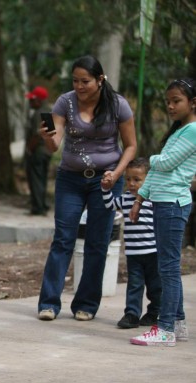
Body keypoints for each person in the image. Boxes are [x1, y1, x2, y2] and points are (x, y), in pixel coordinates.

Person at [37, 55, 137, 322]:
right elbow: (55, 144)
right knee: (63, 239)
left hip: (106, 180)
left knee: (97, 241)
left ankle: (86, 304)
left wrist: (117, 174)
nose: (79, 86)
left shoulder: (118, 105)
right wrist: (47, 138)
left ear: (100, 80)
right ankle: (48, 303)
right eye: (75, 81)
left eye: (85, 81)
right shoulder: (65, 102)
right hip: (70, 179)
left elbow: (130, 145)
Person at [129, 78, 196, 346]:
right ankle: (177, 323)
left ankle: (165, 327)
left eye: (176, 101)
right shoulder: (180, 131)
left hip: (173, 204)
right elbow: (158, 173)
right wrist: (140, 199)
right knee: (167, 266)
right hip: (163, 202)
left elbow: (164, 164)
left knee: (167, 267)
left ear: (193, 103)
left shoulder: (192, 130)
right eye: (168, 101)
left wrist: (152, 159)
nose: (170, 106)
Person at [101, 158, 160, 329]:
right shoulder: (126, 198)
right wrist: (105, 189)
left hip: (153, 252)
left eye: (137, 180)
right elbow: (110, 205)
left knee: (155, 286)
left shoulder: (153, 199)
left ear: (148, 180)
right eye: (128, 179)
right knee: (134, 285)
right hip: (133, 254)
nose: (131, 184)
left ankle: (154, 312)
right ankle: (132, 314)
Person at [24, 86, 53, 216]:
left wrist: (29, 149)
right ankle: (43, 204)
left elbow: (38, 134)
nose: (30, 102)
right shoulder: (48, 112)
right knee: (42, 179)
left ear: (39, 100)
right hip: (47, 151)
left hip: (38, 151)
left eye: (32, 100)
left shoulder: (38, 113)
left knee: (35, 179)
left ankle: (38, 207)